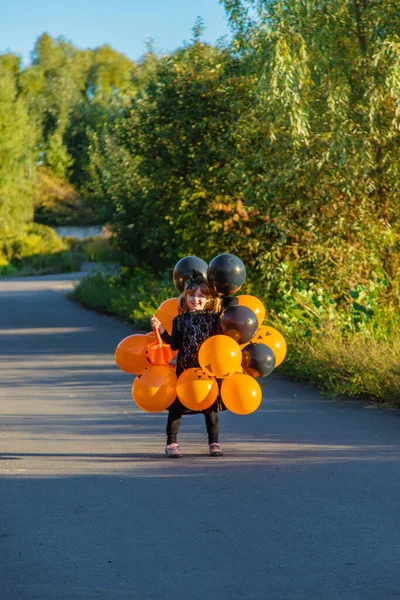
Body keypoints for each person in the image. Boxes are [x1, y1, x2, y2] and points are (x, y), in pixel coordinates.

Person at [150, 270, 230, 459]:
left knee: (210, 409)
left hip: (206, 371)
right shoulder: (180, 320)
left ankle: (214, 443)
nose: (196, 299)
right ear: (185, 298)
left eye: (202, 296)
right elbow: (175, 344)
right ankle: (171, 443)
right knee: (176, 408)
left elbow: (230, 307)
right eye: (192, 295)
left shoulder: (214, 319)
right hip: (185, 369)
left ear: (209, 299)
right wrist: (160, 329)